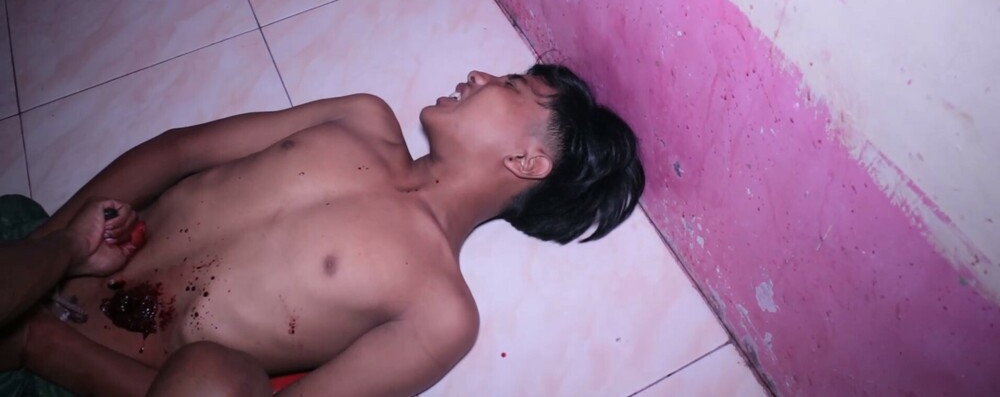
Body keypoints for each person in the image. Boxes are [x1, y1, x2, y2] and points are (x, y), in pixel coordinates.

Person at [0, 64, 645, 396]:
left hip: (80, 376)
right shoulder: (361, 118)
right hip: (28, 256)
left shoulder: (439, 311)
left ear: (528, 161)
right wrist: (45, 247)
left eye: (508, 84)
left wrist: (43, 346)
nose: (478, 74)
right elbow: (178, 150)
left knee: (218, 380)